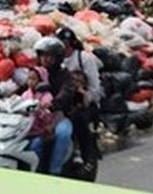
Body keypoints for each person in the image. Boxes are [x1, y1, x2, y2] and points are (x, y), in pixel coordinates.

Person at [55, 26, 102, 169]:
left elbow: (95, 86)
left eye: (66, 43)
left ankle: (83, 156)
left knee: (79, 121)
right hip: (61, 102)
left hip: (82, 103)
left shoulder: (84, 59)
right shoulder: (55, 61)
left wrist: (86, 98)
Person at [29, 38, 77, 176]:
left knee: (62, 134)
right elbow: (23, 88)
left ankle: (54, 170)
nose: (46, 59)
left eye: (49, 56)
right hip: (36, 116)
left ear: (58, 58)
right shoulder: (37, 73)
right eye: (43, 55)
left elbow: (66, 92)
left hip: (58, 116)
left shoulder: (65, 75)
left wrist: (53, 104)